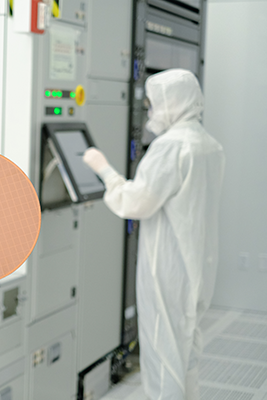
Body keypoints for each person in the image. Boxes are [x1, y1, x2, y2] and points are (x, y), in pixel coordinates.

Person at [83, 69, 225, 400]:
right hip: (197, 269)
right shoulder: (208, 145)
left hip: (168, 273)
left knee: (164, 359)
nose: (151, 112)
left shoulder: (171, 148)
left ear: (172, 102)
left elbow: (135, 202)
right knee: (185, 352)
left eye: (155, 104)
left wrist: (103, 169)